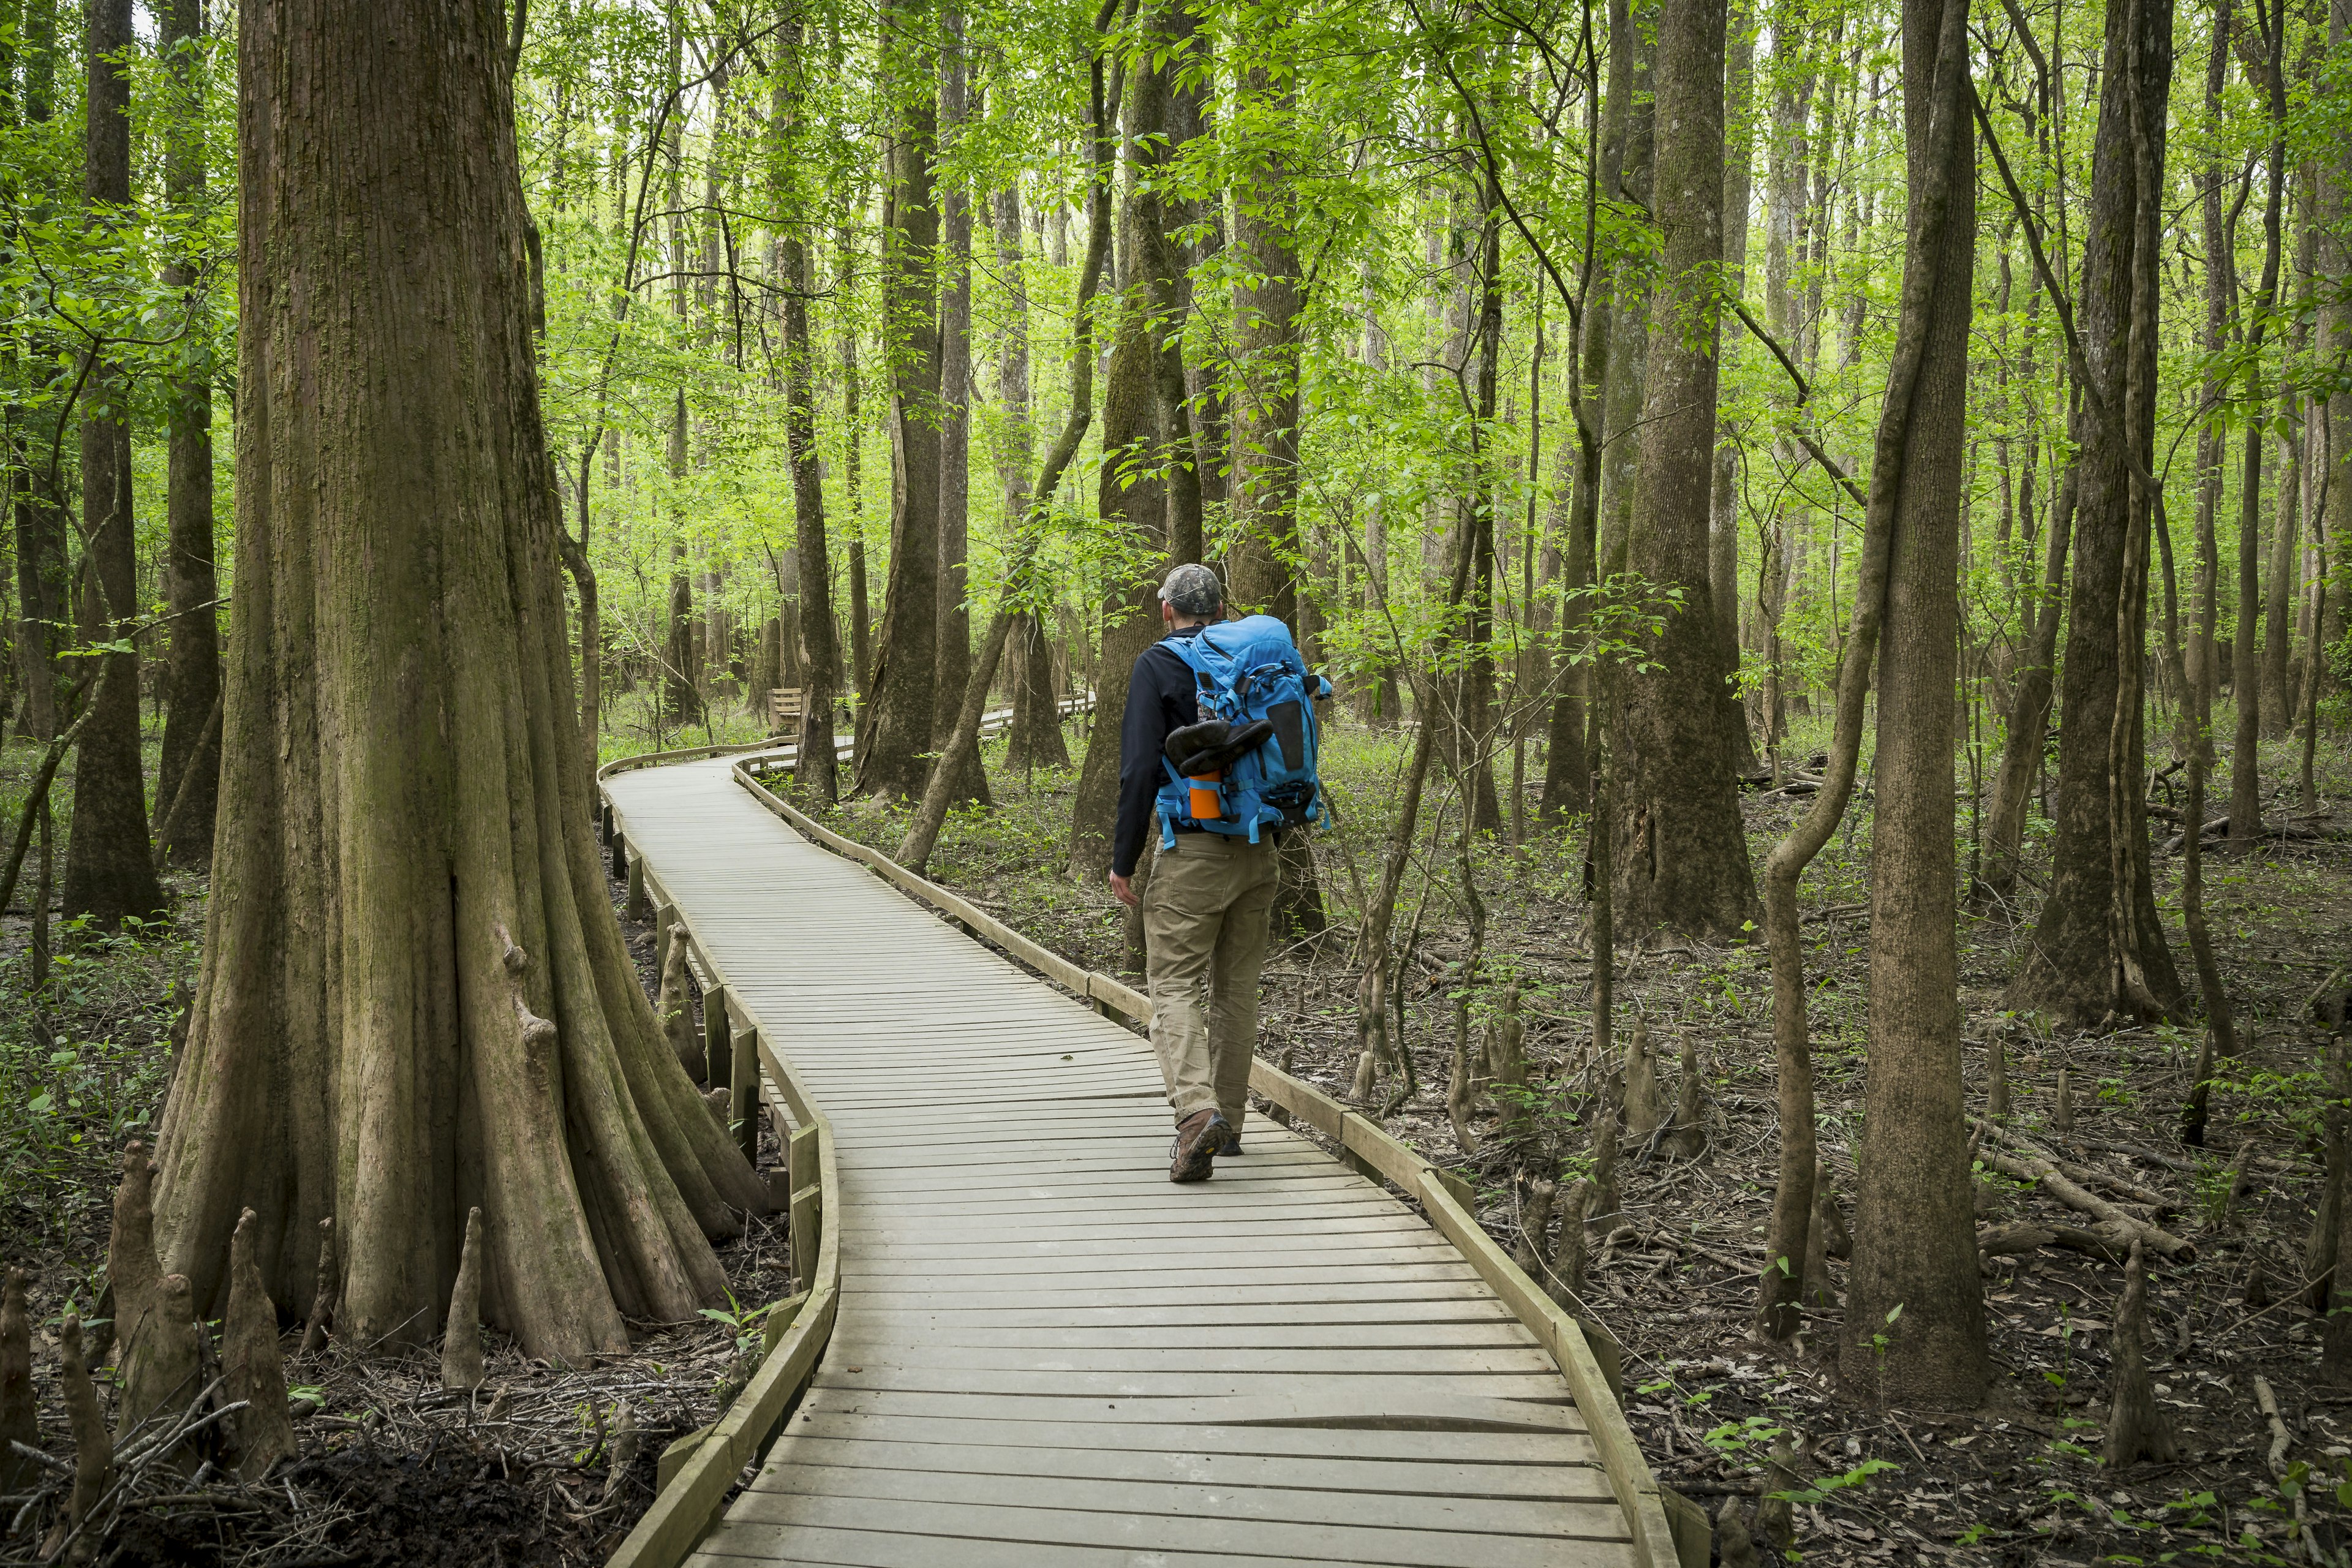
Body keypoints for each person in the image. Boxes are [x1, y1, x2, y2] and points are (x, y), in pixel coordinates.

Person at [1109, 564, 1275, 1182]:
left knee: (1175, 985)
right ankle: (1228, 1120)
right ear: (1222, 608)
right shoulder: (1252, 662)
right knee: (1236, 990)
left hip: (1195, 852)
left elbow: (1137, 771)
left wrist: (1124, 860)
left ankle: (1196, 1114)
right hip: (1260, 850)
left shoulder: (1159, 664)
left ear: (1165, 609)